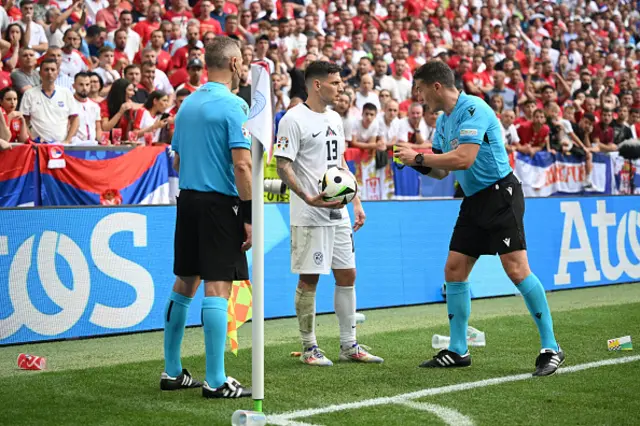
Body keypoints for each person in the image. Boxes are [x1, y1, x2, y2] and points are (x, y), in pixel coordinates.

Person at [394, 61, 563, 377]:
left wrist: (417, 156)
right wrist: (414, 161)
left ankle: (551, 347)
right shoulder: (443, 122)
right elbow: (443, 170)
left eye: (419, 89)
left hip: (501, 195)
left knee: (516, 269)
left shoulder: (475, 109)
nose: (417, 96)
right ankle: (459, 350)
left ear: (436, 86)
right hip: (473, 200)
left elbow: (464, 158)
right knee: (454, 269)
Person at [162, 36, 253, 399]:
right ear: (233, 63)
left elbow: (178, 159)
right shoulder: (233, 106)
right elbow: (243, 164)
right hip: (219, 204)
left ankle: (172, 372)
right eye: (242, 59)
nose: (244, 65)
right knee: (218, 285)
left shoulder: (186, 106)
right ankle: (216, 379)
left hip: (188, 202)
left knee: (185, 282)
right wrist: (247, 214)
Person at [275, 61, 383, 366]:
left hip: (339, 212)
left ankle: (349, 345)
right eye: (335, 83)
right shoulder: (292, 120)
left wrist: (357, 201)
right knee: (309, 279)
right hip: (310, 213)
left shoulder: (336, 118)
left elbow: (341, 166)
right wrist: (309, 197)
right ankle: (309, 347)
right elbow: (283, 165)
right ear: (317, 85)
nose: (341, 87)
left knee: (348, 274)